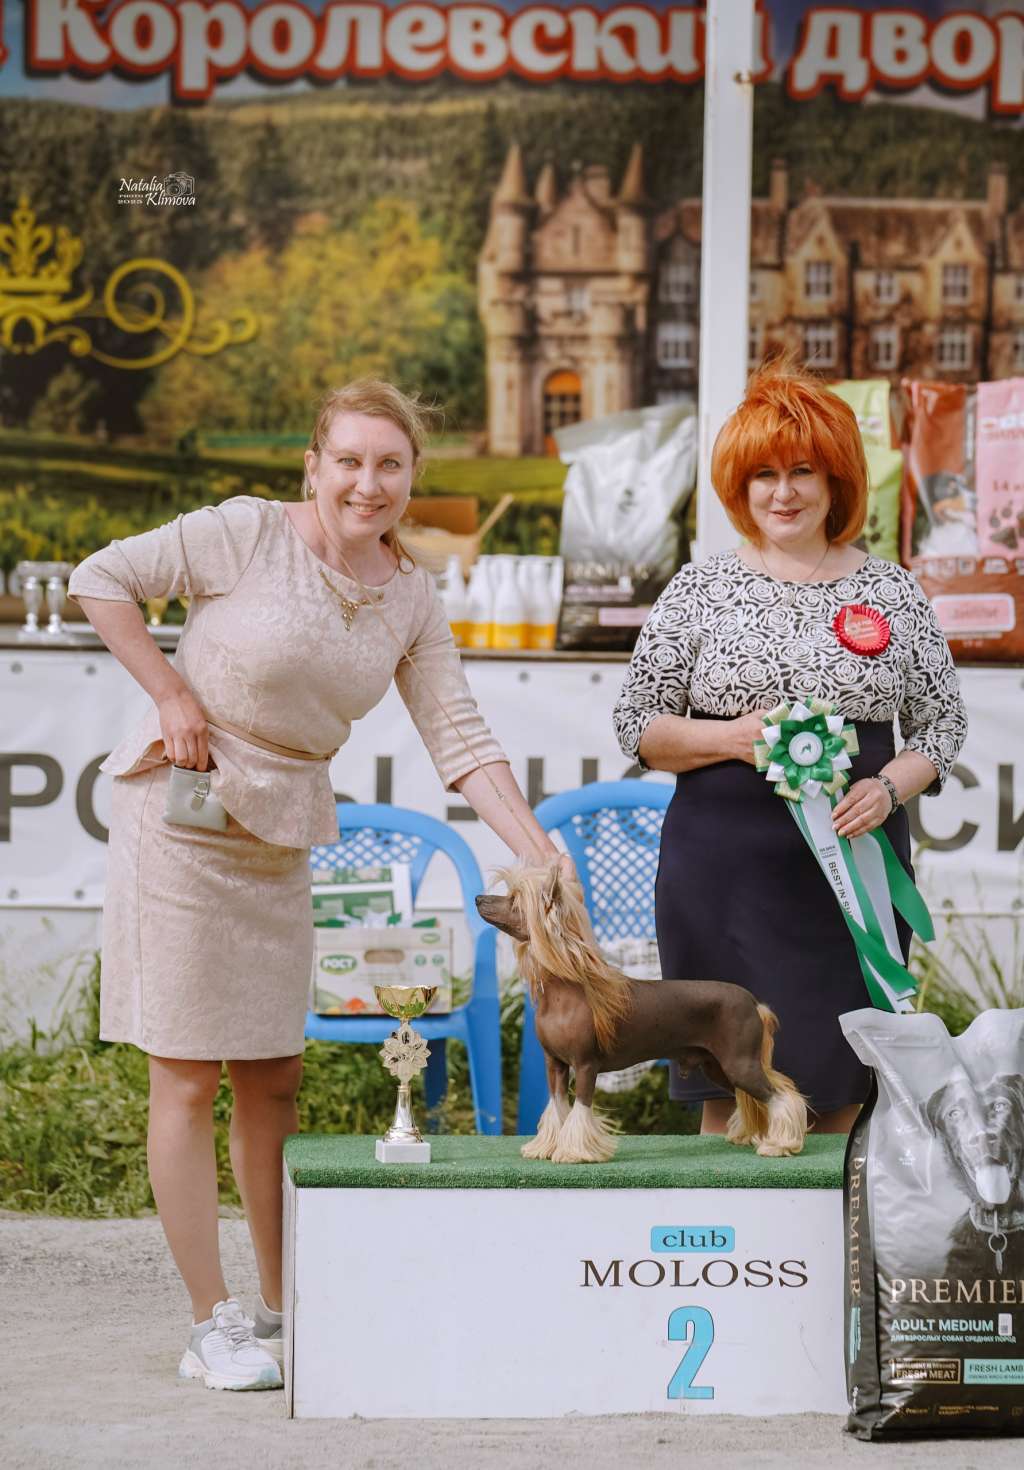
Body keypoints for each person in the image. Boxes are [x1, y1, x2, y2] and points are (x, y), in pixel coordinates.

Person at [68, 379, 569, 1392]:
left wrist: (538, 854)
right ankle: (209, 1324)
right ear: (313, 466)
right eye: (348, 461)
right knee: (185, 1068)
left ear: (410, 480)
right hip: (182, 808)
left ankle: (282, 1304)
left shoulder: (409, 596)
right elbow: (99, 578)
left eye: (389, 466)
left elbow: (458, 739)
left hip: (280, 825)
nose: (366, 483)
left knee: (273, 1075)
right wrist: (169, 690)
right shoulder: (244, 533)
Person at [612, 361, 967, 1138]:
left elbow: (942, 727)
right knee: (726, 1099)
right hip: (721, 873)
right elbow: (638, 723)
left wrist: (891, 788)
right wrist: (732, 737)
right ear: (740, 487)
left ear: (837, 479)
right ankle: (726, 1257)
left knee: (839, 1092)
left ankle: (828, 1259)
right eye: (764, 474)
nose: (784, 492)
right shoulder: (699, 589)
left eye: (803, 470)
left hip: (852, 872)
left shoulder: (892, 592)